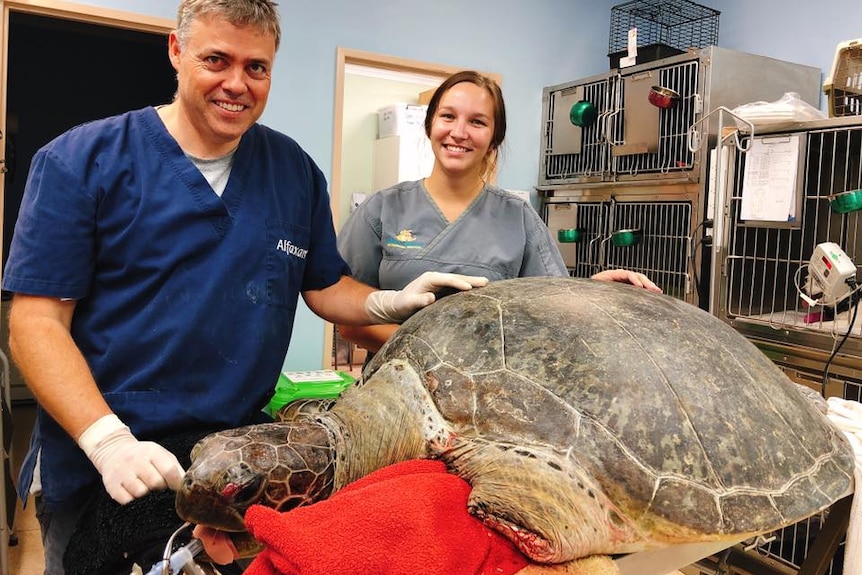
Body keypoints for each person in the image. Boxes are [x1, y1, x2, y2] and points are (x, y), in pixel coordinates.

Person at [1, 2, 486, 573]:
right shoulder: (80, 162)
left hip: (228, 462)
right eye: (216, 59)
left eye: (256, 68)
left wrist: (390, 301)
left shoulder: (293, 171)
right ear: (176, 52)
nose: (237, 84)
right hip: (107, 457)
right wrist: (107, 440)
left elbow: (325, 287)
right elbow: (35, 324)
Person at [337, 70, 661, 355]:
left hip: (490, 398)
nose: (459, 132)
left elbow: (552, 308)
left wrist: (594, 289)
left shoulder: (517, 216)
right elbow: (349, 321)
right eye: (448, 116)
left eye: (477, 122)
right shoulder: (381, 209)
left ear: (494, 139)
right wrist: (437, 353)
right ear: (429, 125)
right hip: (395, 389)